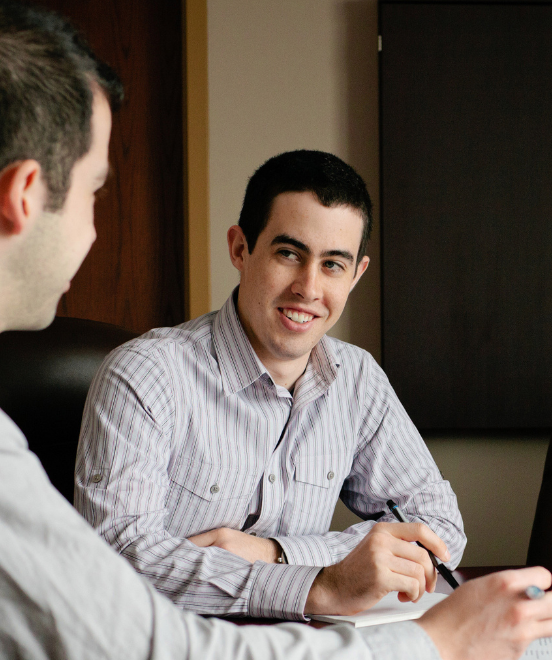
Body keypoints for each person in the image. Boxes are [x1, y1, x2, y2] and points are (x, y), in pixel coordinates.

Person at [0, 1, 552, 660]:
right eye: (97, 191)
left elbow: (68, 641)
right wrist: (435, 651)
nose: (94, 232)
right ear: (26, 195)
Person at [76, 150, 464, 621]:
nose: (308, 287)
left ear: (356, 274)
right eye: (288, 254)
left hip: (302, 658)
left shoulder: (358, 380)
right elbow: (118, 561)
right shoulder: (146, 373)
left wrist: (275, 554)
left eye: (333, 265)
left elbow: (439, 530)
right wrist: (318, 588)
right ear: (240, 249)